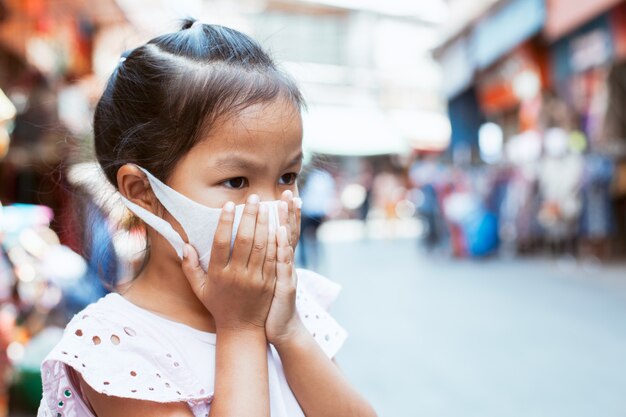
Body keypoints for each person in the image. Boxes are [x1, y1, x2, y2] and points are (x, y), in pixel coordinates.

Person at [37, 20, 376, 417]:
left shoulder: (290, 305)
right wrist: (241, 327)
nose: (270, 207)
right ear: (143, 193)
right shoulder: (117, 346)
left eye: (287, 177)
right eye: (236, 180)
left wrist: (289, 332)